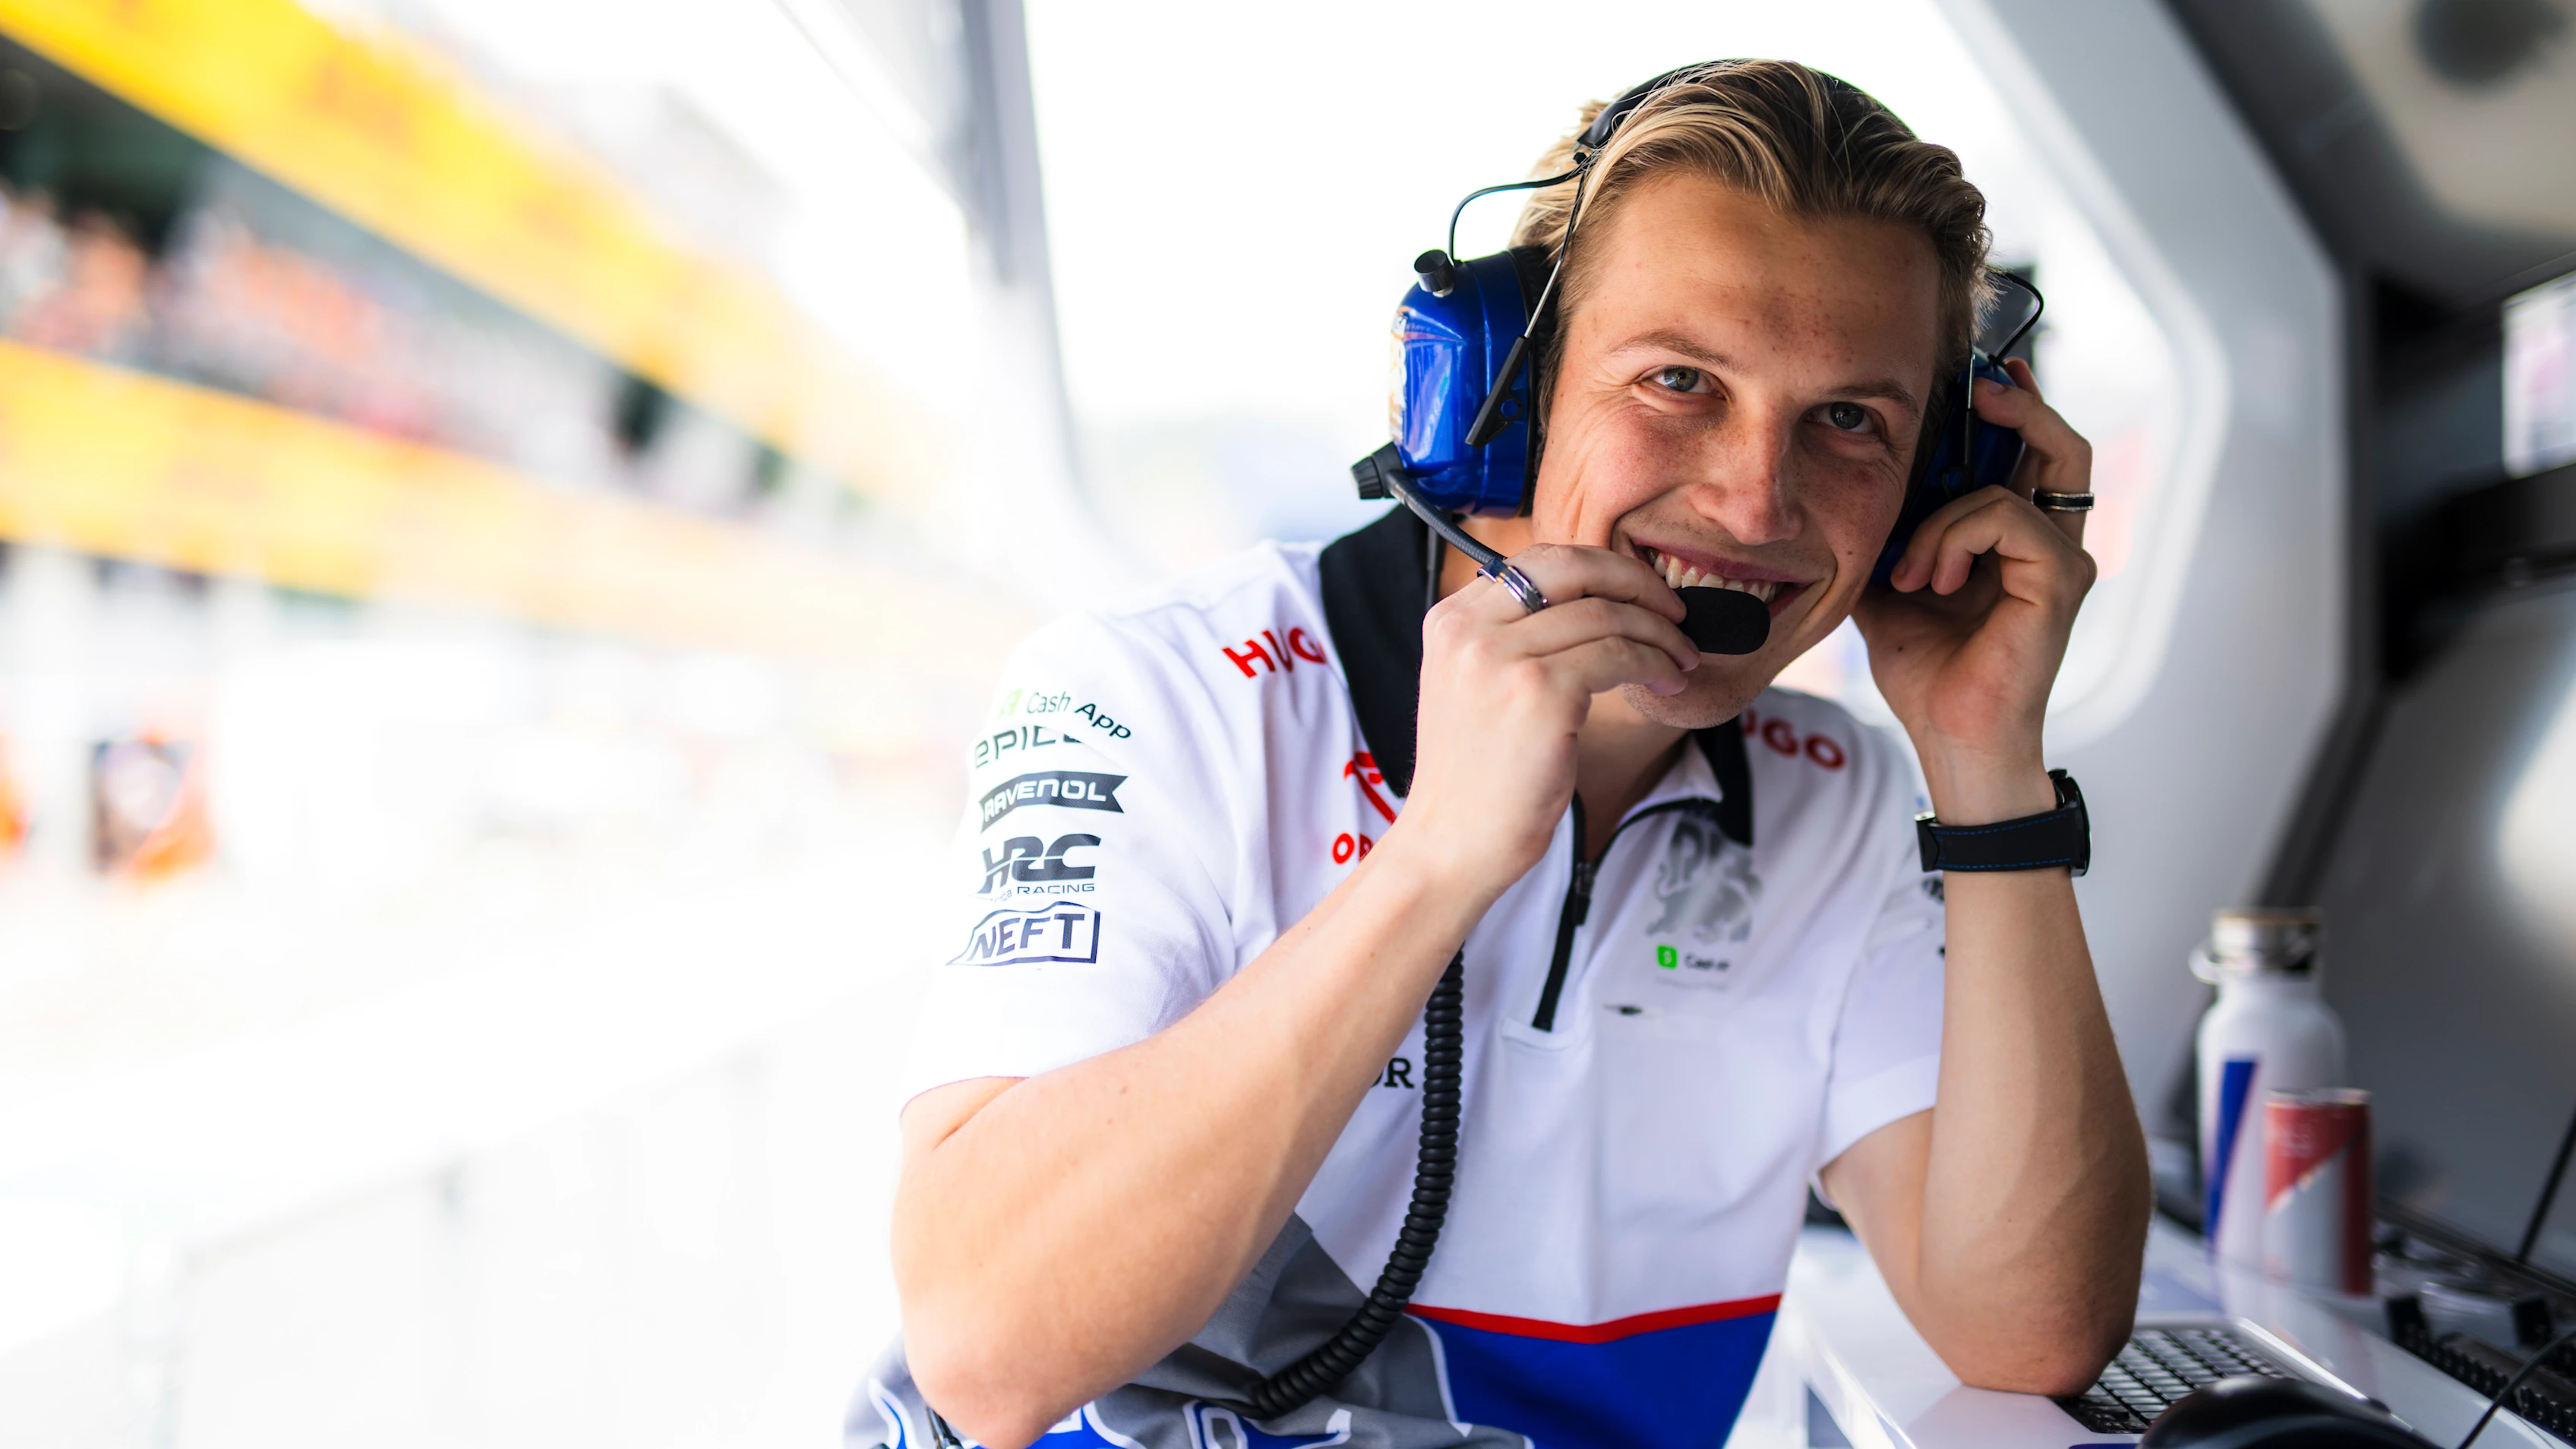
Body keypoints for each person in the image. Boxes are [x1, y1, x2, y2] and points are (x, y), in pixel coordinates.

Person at [857, 59, 2150, 1449]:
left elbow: (2029, 1327)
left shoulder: (1835, 800)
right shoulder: (1159, 690)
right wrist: (1436, 863)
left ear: (1936, 481)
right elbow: (986, 1353)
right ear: (1508, 396)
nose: (1754, 497)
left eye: (1851, 420)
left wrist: (1988, 767)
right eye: (1679, 381)